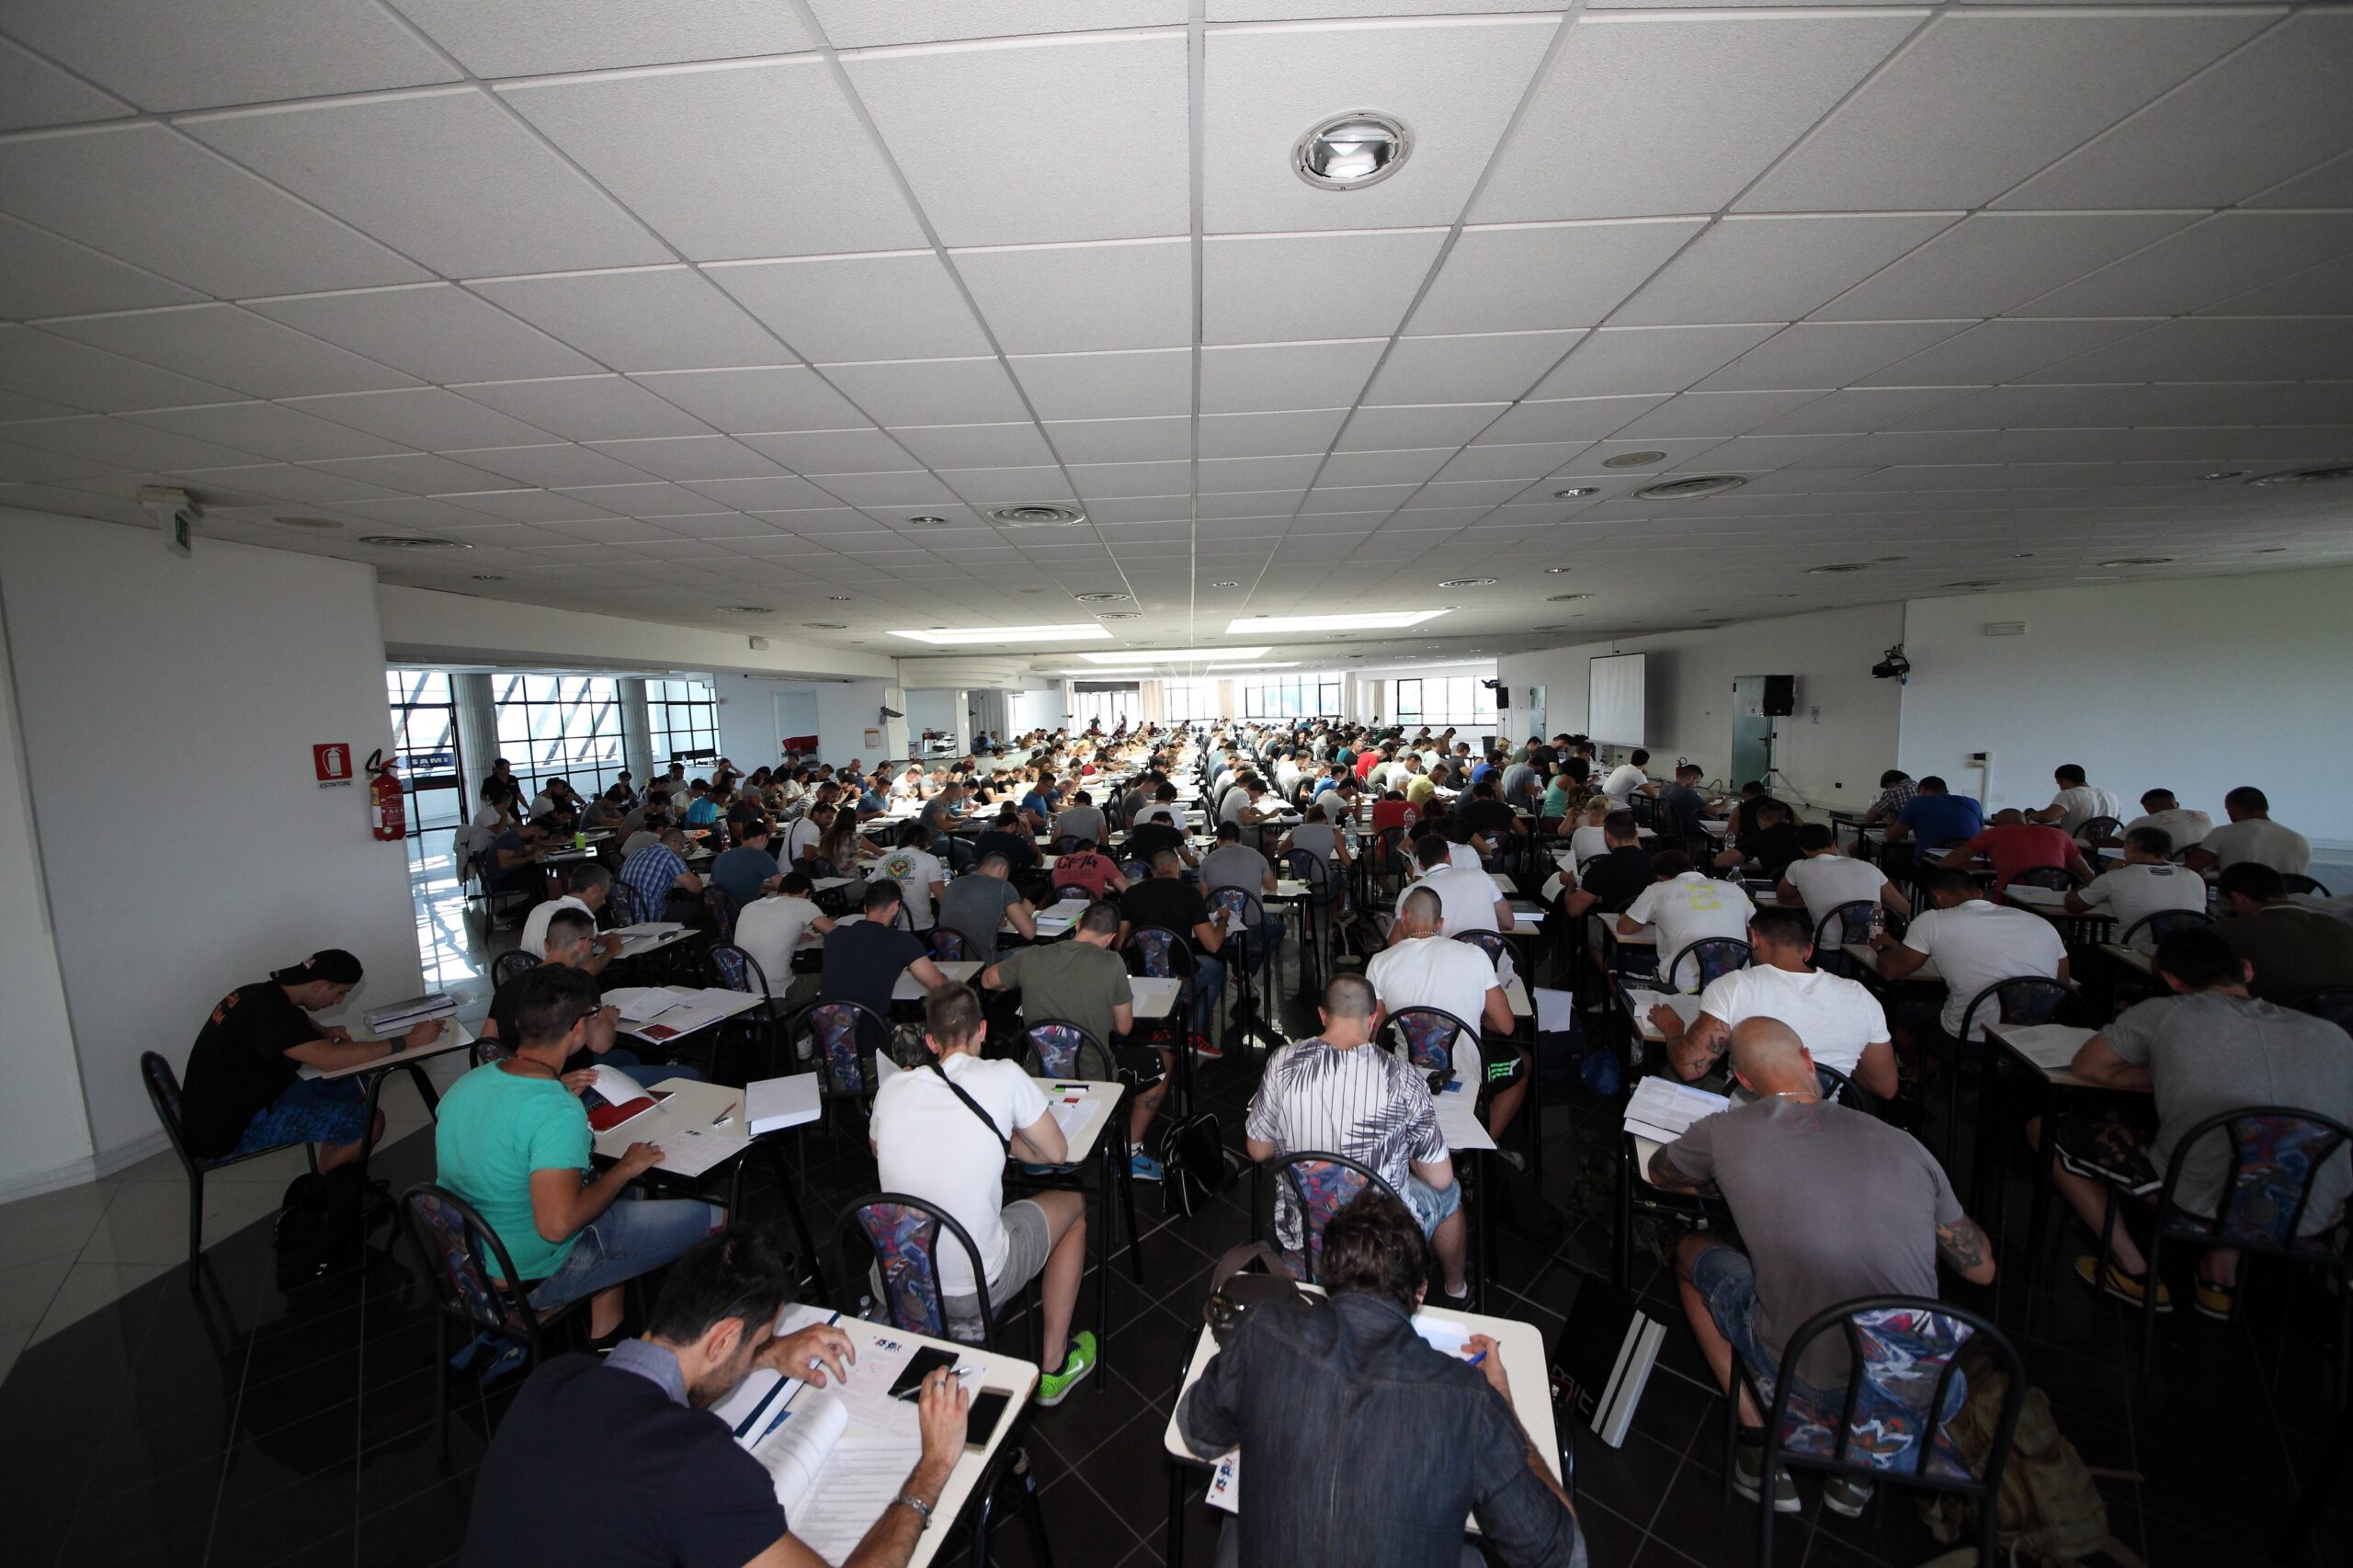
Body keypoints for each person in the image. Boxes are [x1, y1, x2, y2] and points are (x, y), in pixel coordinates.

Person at [461, 1222, 970, 1568]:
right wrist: (932, 1469)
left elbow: (671, 1386)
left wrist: (763, 1355)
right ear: (723, 1340)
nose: (759, 1348)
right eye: (757, 1338)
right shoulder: (696, 1463)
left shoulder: (554, 1378)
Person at [1651, 1017, 1995, 1516]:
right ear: (1809, 1060)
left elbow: (1660, 1171)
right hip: (1921, 1383)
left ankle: (1756, 1438)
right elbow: (1981, 1270)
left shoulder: (1724, 1132)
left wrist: (1727, 1181)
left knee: (1690, 1251)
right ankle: (1858, 1469)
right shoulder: (1906, 1146)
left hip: (1803, 1371)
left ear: (1743, 1081)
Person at [1175, 1187, 1583, 1568]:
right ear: (1420, 1291)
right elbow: (1562, 1553)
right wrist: (1505, 1408)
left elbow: (1198, 1431)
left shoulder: (1262, 1333)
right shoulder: (1469, 1401)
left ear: (1327, 1276)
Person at [2030, 927, 2353, 1319]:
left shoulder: (2164, 1014)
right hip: (2316, 1210)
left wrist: (2168, 1074)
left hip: (2198, 1200)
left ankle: (2134, 1269)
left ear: (2171, 979)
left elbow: (2088, 1067)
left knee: (2045, 1129)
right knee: (2256, 1144)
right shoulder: (2332, 1035)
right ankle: (2219, 1277)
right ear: (2247, 970)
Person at [436, 964, 721, 1346]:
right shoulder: (558, 1111)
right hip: (537, 1275)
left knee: (621, 1194)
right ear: (576, 1029)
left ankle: (608, 1329)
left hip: (473, 1260)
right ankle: (694, 1339)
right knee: (715, 1215)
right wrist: (624, 1168)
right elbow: (557, 1225)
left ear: (520, 1022)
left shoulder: (467, 1084)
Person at [869, 986, 1097, 1403]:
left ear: (931, 1041)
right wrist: (1007, 1136)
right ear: (984, 1030)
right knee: (1075, 1205)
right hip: (973, 1286)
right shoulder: (1005, 1076)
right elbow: (1057, 1153)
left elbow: (878, 1147)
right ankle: (1054, 1366)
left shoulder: (893, 1087)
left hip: (896, 1278)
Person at [1246, 976, 1472, 1306]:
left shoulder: (1282, 1063)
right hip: (1378, 1248)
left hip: (1306, 1238)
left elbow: (1258, 1149)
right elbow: (1440, 1178)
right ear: (1373, 1019)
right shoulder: (1403, 1077)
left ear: (1323, 1015)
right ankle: (1457, 1290)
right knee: (1449, 1193)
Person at [176, 949, 435, 1166]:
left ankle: (337, 1165)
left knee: (353, 1084)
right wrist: (409, 1040)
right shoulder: (274, 1014)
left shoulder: (259, 994)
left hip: (220, 1107)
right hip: (230, 1128)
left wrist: (322, 1030)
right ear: (319, 985)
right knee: (371, 1123)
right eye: (340, 993)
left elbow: (290, 1024)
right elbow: (330, 1059)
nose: (339, 1001)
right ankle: (325, 1192)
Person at [984, 902, 1166, 1177]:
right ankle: (1131, 1152)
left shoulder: (1032, 957)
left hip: (1037, 1075)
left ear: (1078, 924)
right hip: (1094, 1077)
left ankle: (1037, 1149)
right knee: (1163, 1063)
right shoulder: (1112, 963)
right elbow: (1124, 1027)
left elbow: (988, 980)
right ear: (1110, 938)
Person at [1652, 908, 1899, 1098]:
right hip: (1820, 1126)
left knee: (1671, 1072)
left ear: (1754, 938)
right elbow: (1886, 1088)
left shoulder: (1733, 986)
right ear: (1808, 951)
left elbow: (1689, 1067)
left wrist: (1674, 1029)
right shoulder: (1860, 997)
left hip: (1746, 1124)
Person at [1370, 888, 1529, 1145]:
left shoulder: (1379, 963)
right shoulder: (1474, 956)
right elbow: (1507, 1026)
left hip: (1407, 1078)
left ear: (1404, 917)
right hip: (1467, 1078)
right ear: (1440, 923)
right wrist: (1474, 1015)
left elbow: (1375, 1032)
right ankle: (1482, 1144)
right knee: (1524, 1062)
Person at [483, 907, 702, 1083]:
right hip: (574, 1082)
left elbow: (487, 1044)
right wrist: (608, 1019)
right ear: (584, 944)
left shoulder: (508, 986)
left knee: (627, 1057)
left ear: (547, 945)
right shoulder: (579, 982)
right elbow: (601, 1044)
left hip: (520, 1079)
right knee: (688, 1074)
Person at [1872, 869, 2069, 1055]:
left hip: (1971, 1039)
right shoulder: (2040, 923)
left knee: (1893, 1012)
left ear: (1937, 897)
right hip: (2034, 1039)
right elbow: (2063, 984)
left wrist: (1884, 948)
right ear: (1980, 893)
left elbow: (1891, 971)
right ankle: (1935, 1068)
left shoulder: (1932, 920)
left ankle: (1911, 1069)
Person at [1121, 848, 1228, 1055]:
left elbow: (1121, 943)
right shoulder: (1189, 894)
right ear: (1177, 866)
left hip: (1142, 978)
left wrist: (1145, 933)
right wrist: (1222, 919)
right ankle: (1192, 1032)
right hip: (1180, 979)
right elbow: (1213, 945)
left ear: (1152, 871)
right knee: (1216, 969)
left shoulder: (1131, 894)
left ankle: (1162, 1030)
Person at [2213, 861, 2353, 1005]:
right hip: (2342, 1015)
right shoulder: (2343, 928)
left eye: (2229, 903)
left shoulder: (2228, 932)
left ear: (2238, 899)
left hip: (2268, 1014)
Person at [1620, 850, 1755, 992]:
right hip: (1736, 986)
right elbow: (1755, 931)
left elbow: (1624, 928)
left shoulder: (1657, 890)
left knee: (1614, 964)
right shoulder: (1735, 890)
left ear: (1660, 877)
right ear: (1694, 868)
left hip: (1683, 987)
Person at [821, 881, 950, 1021]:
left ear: (865, 908)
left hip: (826, 1028)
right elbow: (938, 984)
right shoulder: (902, 941)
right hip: (871, 1029)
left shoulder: (833, 937)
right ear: (895, 907)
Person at [2066, 826, 2206, 950]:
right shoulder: (2194, 877)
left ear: (2133, 846)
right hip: (2188, 953)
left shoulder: (2116, 877)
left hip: (2132, 953)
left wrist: (2105, 875)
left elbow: (2074, 906)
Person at [1779, 824, 1908, 946]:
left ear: (1804, 850)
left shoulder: (1798, 867)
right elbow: (1903, 908)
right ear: (1834, 844)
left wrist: (1815, 897)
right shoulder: (1869, 867)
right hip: (1871, 950)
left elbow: (1783, 899)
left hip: (1829, 949)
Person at [733, 871, 834, 1009]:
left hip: (745, 994)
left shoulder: (749, 906)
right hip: (777, 996)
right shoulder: (803, 905)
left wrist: (796, 935)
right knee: (831, 976)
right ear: (805, 892)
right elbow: (837, 934)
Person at [1938, 808, 2092, 896]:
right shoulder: (2061, 835)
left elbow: (1946, 863)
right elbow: (2088, 875)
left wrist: (1986, 865)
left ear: (1997, 825)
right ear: (2026, 821)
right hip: (2053, 898)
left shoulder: (1994, 834)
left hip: (2009, 898)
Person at [1399, 832, 1516, 946]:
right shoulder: (1482, 876)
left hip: (1445, 957)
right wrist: (1479, 929)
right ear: (1449, 858)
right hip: (1492, 957)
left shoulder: (1413, 893)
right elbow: (1508, 923)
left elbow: (1397, 941)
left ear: (1421, 866)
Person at [519, 861, 624, 972]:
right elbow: (587, 971)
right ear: (595, 889)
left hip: (528, 975)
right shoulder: (581, 918)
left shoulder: (540, 908)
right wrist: (610, 952)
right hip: (557, 979)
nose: (603, 902)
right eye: (604, 895)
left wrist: (595, 938)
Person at [2188, 786, 2312, 876]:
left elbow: (2190, 870)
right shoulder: (2300, 840)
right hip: (2287, 903)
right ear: (2266, 808)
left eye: (2228, 810)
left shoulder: (2222, 833)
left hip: (2239, 902)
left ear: (2234, 808)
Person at [936, 851, 1035, 963]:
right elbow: (1029, 933)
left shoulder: (953, 884)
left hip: (948, 961)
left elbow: (1000, 923)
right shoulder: (1003, 887)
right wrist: (1027, 914)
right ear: (1002, 870)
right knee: (1036, 952)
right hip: (982, 963)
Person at [1560, 810, 1651, 920]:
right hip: (1649, 923)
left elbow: (1573, 910)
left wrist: (1570, 884)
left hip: (1612, 925)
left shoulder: (1601, 867)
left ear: (1607, 836)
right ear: (1635, 835)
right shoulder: (1653, 863)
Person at [1882, 775, 1983, 854]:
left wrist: (1891, 824)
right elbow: (1983, 833)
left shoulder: (1916, 803)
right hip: (1974, 857)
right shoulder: (1973, 803)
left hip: (1933, 860)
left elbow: (1892, 838)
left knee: (1896, 855)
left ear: (1922, 790)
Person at [620, 827, 703, 922]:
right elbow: (695, 888)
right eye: (682, 847)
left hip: (625, 915)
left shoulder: (636, 853)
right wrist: (697, 877)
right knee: (701, 910)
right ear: (675, 844)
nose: (681, 851)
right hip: (649, 916)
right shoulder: (670, 857)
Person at [2025, 764, 2122, 839]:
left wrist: (2030, 813)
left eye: (2059, 783)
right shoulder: (2111, 795)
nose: (2060, 788)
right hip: (2106, 846)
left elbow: (2046, 817)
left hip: (2078, 845)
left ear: (2064, 781)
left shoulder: (2068, 794)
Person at [2108, 788, 2212, 857]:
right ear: (2176, 803)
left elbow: (2113, 844)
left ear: (2150, 807)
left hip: (2172, 865)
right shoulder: (2205, 816)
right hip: (2206, 866)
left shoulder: (2148, 820)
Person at [1715, 800, 1802, 881]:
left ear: (1761, 822)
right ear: (1787, 820)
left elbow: (1720, 861)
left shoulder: (1762, 836)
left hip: (1777, 884)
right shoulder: (1803, 833)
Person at [709, 818, 783, 912]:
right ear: (763, 837)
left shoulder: (721, 857)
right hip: (746, 912)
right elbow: (783, 887)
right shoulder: (762, 857)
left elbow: (711, 888)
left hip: (719, 914)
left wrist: (767, 886)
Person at [973, 804, 1041, 878]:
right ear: (1013, 825)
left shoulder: (982, 837)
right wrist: (1030, 836)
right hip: (1008, 882)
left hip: (980, 879)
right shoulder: (1016, 841)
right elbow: (1039, 863)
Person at [1654, 764, 1711, 841]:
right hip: (1686, 829)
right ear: (1690, 778)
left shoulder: (1666, 787)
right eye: (1696, 782)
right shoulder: (1687, 792)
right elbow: (1715, 811)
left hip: (1670, 827)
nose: (1695, 786)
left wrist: (1703, 800)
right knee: (1715, 826)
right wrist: (1725, 803)